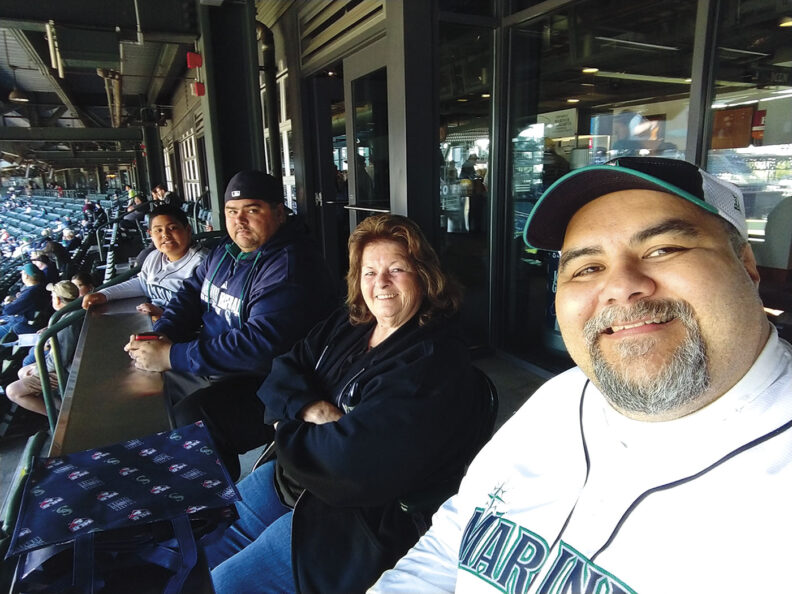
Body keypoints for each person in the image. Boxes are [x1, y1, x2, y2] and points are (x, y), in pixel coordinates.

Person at [373, 157, 791, 593]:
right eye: (587, 268)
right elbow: (454, 536)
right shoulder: (563, 396)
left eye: (663, 249)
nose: (620, 285)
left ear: (745, 264)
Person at [201, 214, 487, 593]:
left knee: (226, 584)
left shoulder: (433, 361)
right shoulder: (352, 324)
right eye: (369, 272)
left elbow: (352, 464)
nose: (380, 283)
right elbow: (285, 367)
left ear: (423, 275)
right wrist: (307, 409)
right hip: (290, 477)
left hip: (347, 517)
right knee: (201, 552)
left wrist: (285, 421)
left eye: (396, 269)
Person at [124, 170, 337, 478]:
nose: (240, 221)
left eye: (252, 210)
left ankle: (214, 511)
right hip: (224, 367)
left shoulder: (291, 264)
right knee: (145, 392)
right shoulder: (226, 250)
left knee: (195, 419)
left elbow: (261, 345)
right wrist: (160, 336)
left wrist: (172, 356)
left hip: (274, 381)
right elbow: (190, 296)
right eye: (231, 212)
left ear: (279, 213)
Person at [82, 205, 207, 318]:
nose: (165, 235)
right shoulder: (154, 257)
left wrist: (164, 314)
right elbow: (142, 283)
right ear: (150, 234)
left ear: (188, 230)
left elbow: (210, 311)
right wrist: (104, 294)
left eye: (172, 228)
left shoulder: (204, 263)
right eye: (158, 230)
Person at [4, 281, 81, 416]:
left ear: (57, 299)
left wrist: (37, 369)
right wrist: (50, 333)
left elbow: (58, 361)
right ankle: (60, 406)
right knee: (23, 371)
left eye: (52, 296)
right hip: (69, 363)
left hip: (69, 370)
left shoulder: (67, 322)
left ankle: (60, 418)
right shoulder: (71, 312)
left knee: (12, 391)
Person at [0, 264, 50, 338]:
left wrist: (7, 303)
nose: (21, 274)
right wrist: (16, 299)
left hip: (18, 322)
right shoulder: (40, 287)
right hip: (27, 319)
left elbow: (8, 311)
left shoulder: (30, 293)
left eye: (22, 273)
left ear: (26, 276)